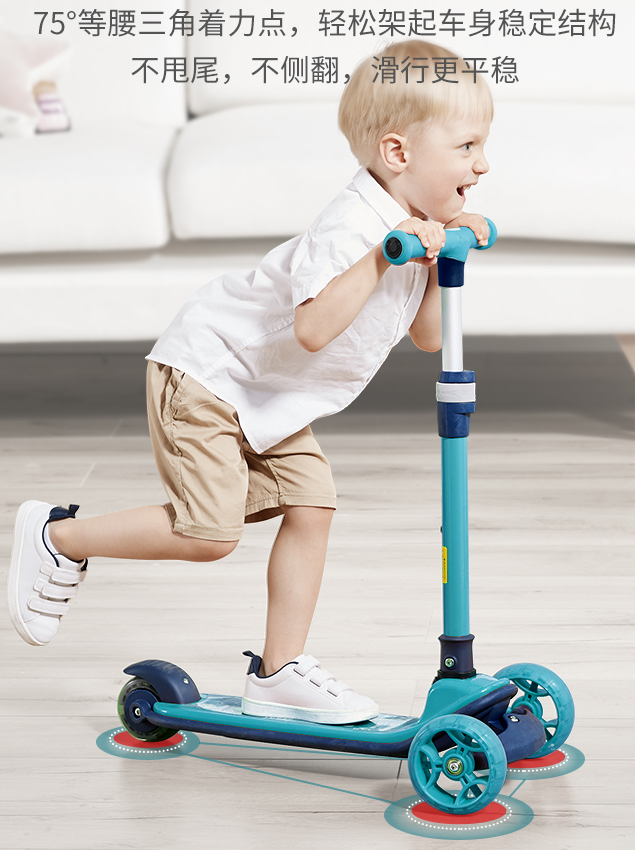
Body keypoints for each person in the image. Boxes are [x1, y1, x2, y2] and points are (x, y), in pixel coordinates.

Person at [7, 39, 492, 725]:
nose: (482, 163)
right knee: (210, 535)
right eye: (467, 146)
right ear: (397, 153)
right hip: (209, 373)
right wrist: (385, 257)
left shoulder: (415, 230)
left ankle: (278, 670)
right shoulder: (352, 227)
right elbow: (314, 328)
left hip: (270, 398)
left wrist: (445, 261)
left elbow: (428, 336)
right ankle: (58, 537)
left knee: (312, 504)